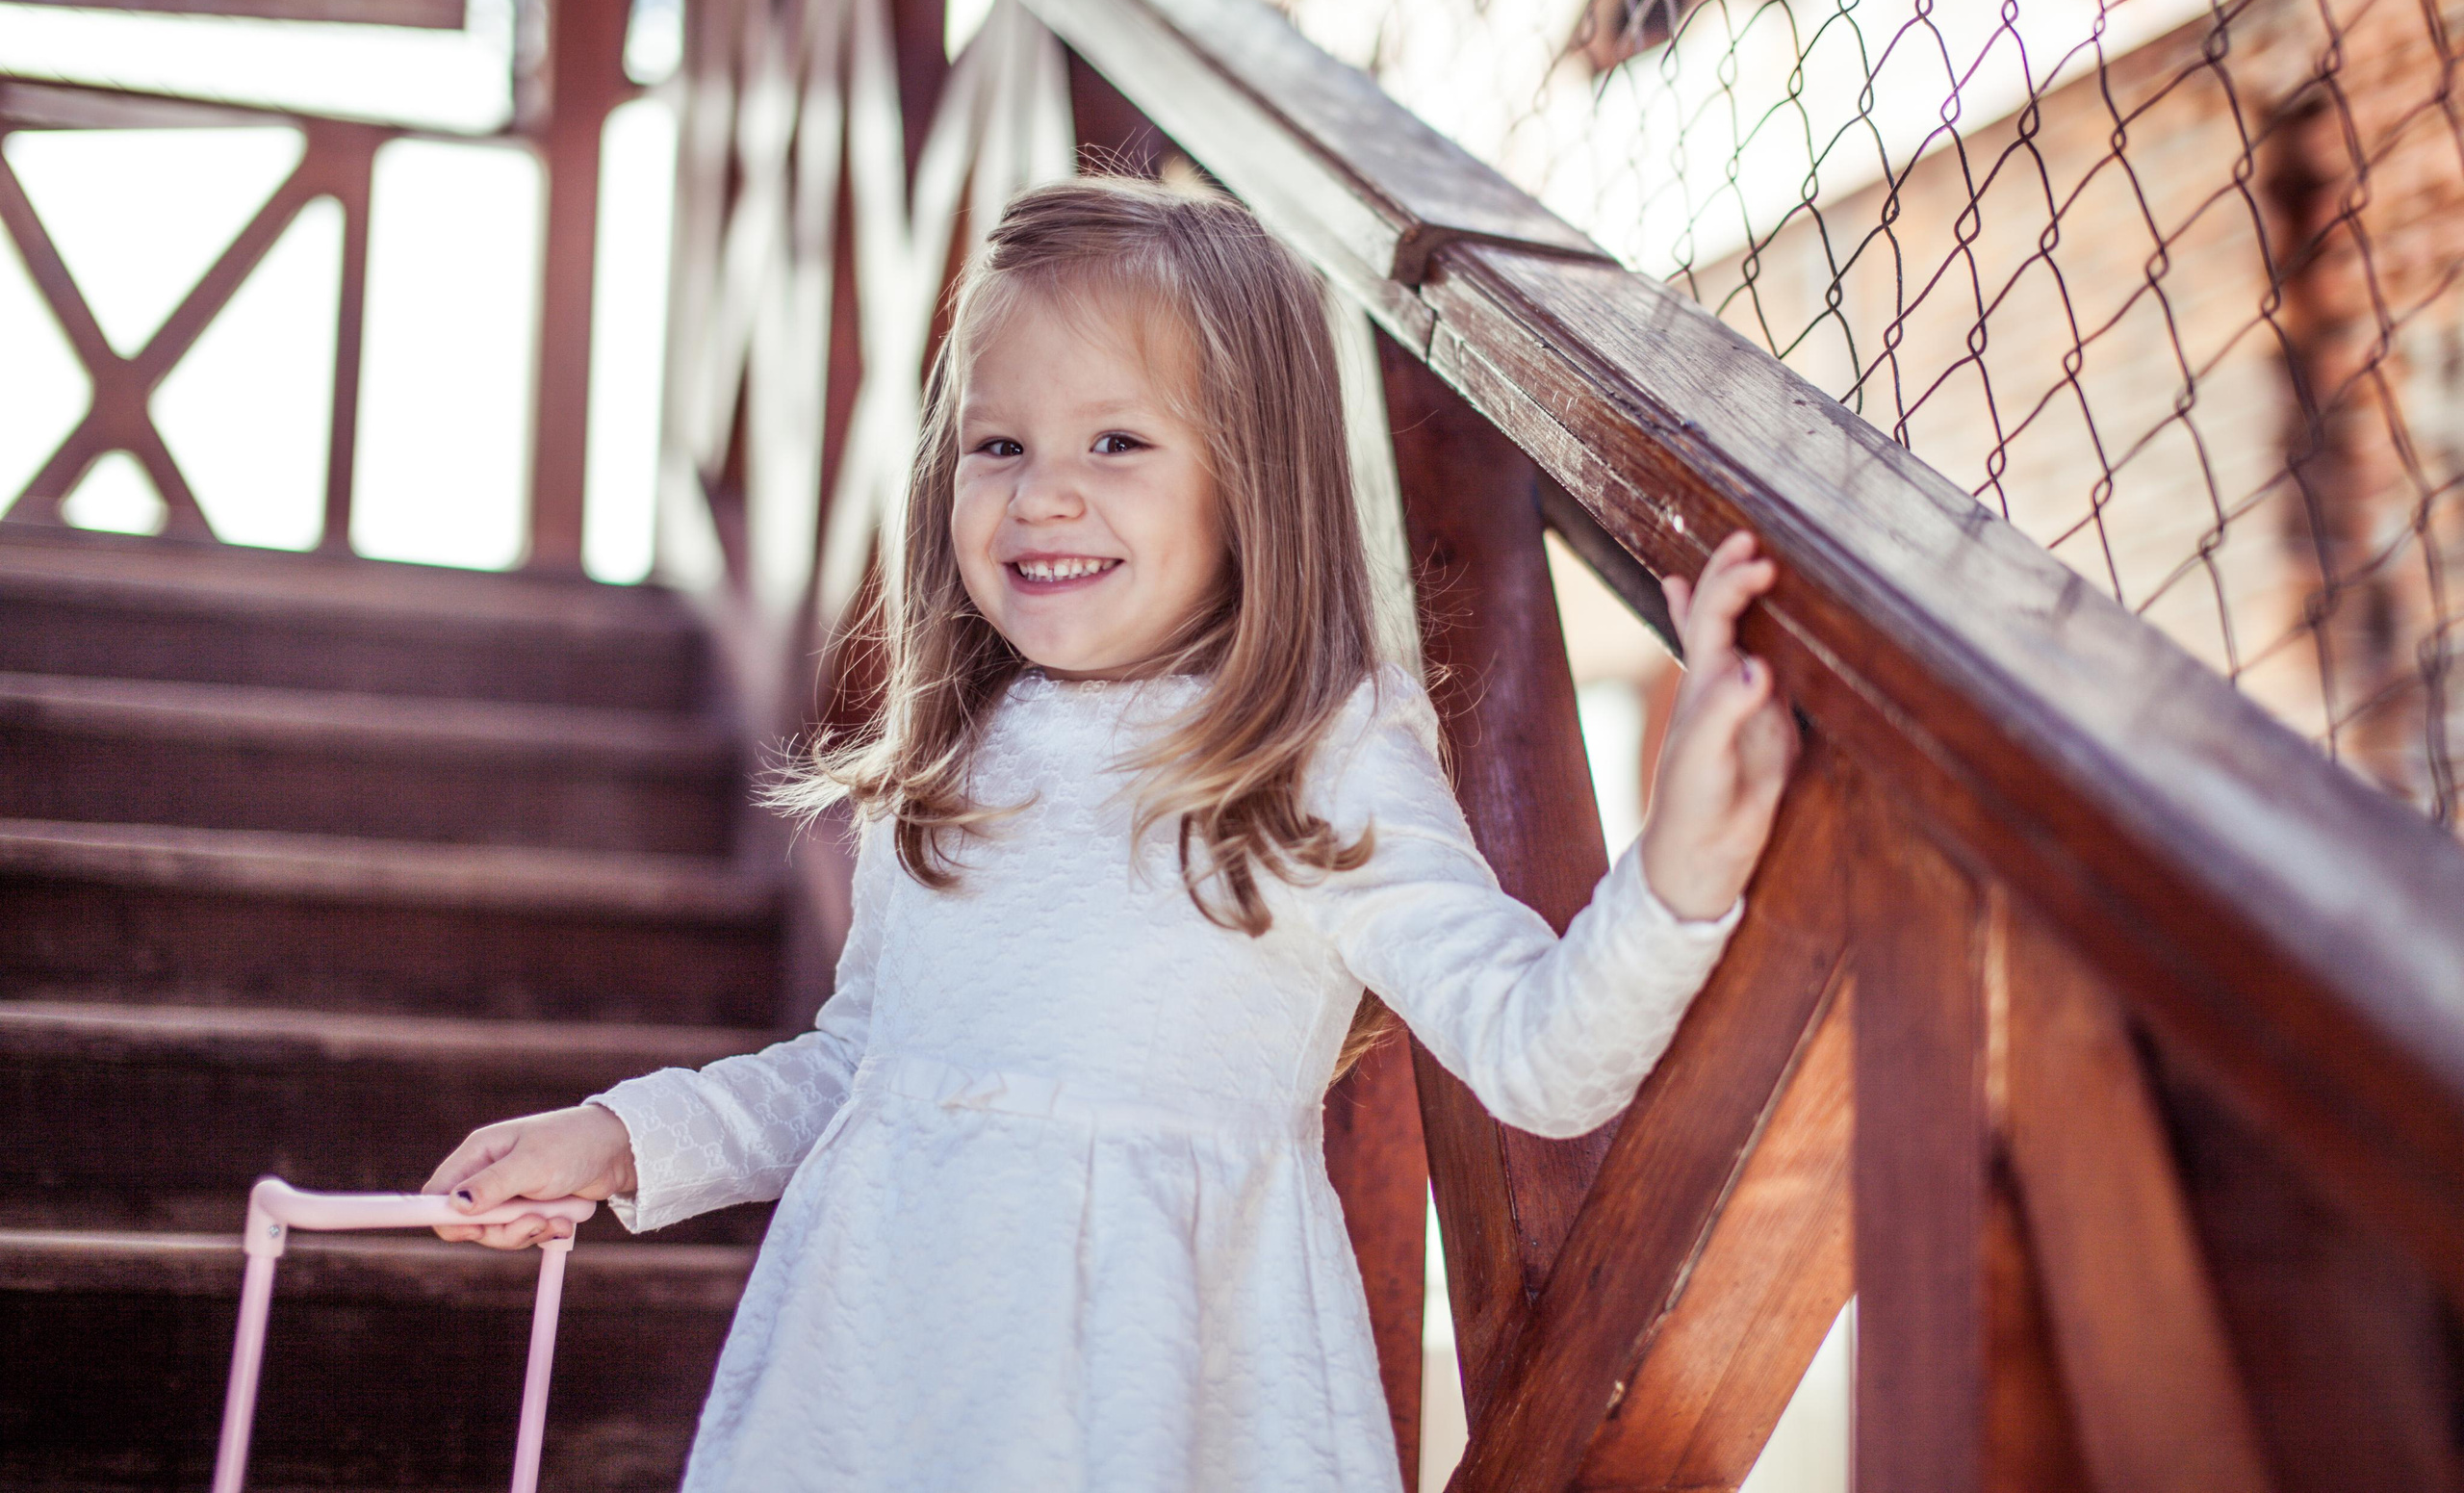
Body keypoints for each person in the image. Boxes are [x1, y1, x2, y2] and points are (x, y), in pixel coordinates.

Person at [423, 176, 1797, 1491]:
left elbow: (1540, 1055)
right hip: (883, 1389)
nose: (1042, 494)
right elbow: (865, 1072)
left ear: (1250, 480)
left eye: (1117, 442)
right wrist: (622, 1140)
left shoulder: (1320, 748)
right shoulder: (952, 758)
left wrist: (1677, 875)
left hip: (1161, 1403)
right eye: (998, 443)